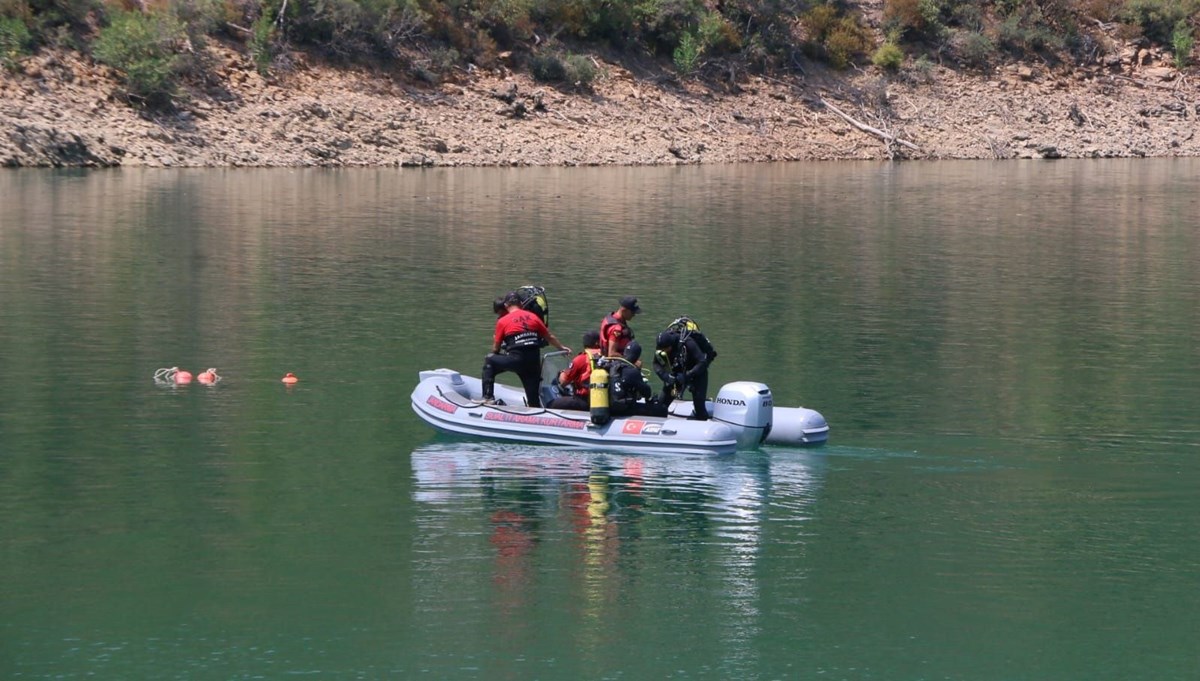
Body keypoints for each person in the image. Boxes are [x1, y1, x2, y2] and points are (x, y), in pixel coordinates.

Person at [482, 291, 570, 407]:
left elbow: (495, 349)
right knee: (533, 402)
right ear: (521, 304)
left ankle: (488, 398)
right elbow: (549, 337)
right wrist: (561, 347)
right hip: (533, 363)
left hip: (515, 360)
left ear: (506, 306)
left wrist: (499, 348)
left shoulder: (503, 321)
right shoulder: (533, 317)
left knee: (489, 360)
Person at [653, 319, 718, 420]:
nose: (663, 352)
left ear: (670, 345)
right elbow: (656, 364)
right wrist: (666, 377)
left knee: (700, 409)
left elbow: (702, 362)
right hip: (678, 372)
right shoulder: (662, 346)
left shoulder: (688, 342)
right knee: (660, 406)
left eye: (665, 349)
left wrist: (687, 376)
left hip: (697, 372)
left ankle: (702, 421)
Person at [607, 341, 668, 417]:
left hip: (608, 407)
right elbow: (647, 393)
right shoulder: (632, 371)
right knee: (662, 410)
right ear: (637, 356)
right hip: (623, 409)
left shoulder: (612, 365)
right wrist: (638, 371)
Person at [547, 330, 602, 411]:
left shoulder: (580, 359)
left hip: (585, 401)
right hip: (603, 399)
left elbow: (563, 382)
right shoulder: (606, 355)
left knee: (551, 404)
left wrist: (561, 373)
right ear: (598, 343)